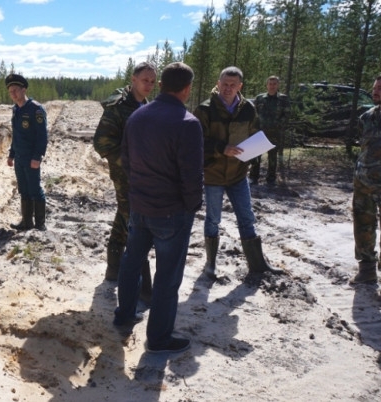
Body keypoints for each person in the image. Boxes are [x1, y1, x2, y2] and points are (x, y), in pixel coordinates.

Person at [113, 62, 203, 354]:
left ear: (161, 84)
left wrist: (138, 191)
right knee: (167, 276)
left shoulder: (138, 116)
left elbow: (125, 159)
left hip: (139, 206)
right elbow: (191, 175)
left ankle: (124, 315)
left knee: (131, 261)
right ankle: (159, 339)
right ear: (187, 89)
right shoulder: (187, 123)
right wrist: (192, 206)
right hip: (171, 212)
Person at [193, 66, 284, 280]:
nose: (228, 88)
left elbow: (254, 134)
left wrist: (254, 151)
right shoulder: (205, 110)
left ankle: (257, 264)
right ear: (218, 83)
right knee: (213, 219)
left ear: (240, 86)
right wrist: (220, 148)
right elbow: (195, 141)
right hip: (214, 174)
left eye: (233, 85)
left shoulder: (248, 109)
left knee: (247, 218)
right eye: (224, 84)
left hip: (238, 174)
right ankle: (210, 264)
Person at [93, 62, 157, 304]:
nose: (148, 85)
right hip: (125, 174)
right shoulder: (119, 107)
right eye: (144, 80)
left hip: (143, 175)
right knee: (135, 221)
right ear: (133, 79)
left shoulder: (147, 106)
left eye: (152, 81)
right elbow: (102, 142)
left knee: (125, 214)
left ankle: (113, 268)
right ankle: (142, 288)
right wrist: (129, 162)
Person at [5, 73, 48, 231]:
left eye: (16, 90)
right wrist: (11, 155)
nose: (13, 94)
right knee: (23, 190)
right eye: (10, 92)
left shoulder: (35, 110)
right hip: (20, 158)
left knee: (35, 189)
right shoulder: (16, 109)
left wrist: (37, 157)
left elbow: (42, 136)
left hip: (31, 158)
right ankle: (26, 222)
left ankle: (40, 225)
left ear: (24, 90)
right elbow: (16, 135)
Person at [351, 75, 381, 284]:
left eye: (380, 89)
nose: (375, 92)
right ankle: (367, 270)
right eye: (374, 88)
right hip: (364, 182)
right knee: (363, 225)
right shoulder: (367, 117)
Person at [249, 76, 291, 185]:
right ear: (267, 85)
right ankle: (253, 177)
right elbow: (254, 114)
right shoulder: (260, 98)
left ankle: (271, 179)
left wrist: (277, 126)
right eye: (270, 84)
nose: (272, 86)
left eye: (274, 84)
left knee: (272, 157)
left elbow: (286, 115)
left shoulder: (283, 99)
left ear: (278, 85)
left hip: (275, 133)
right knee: (256, 155)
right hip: (260, 132)